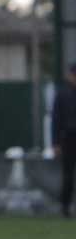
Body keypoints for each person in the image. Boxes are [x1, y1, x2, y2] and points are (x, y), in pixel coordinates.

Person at [54, 62, 76, 218]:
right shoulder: (62, 93)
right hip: (68, 138)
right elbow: (56, 120)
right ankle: (65, 207)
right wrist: (55, 143)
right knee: (68, 175)